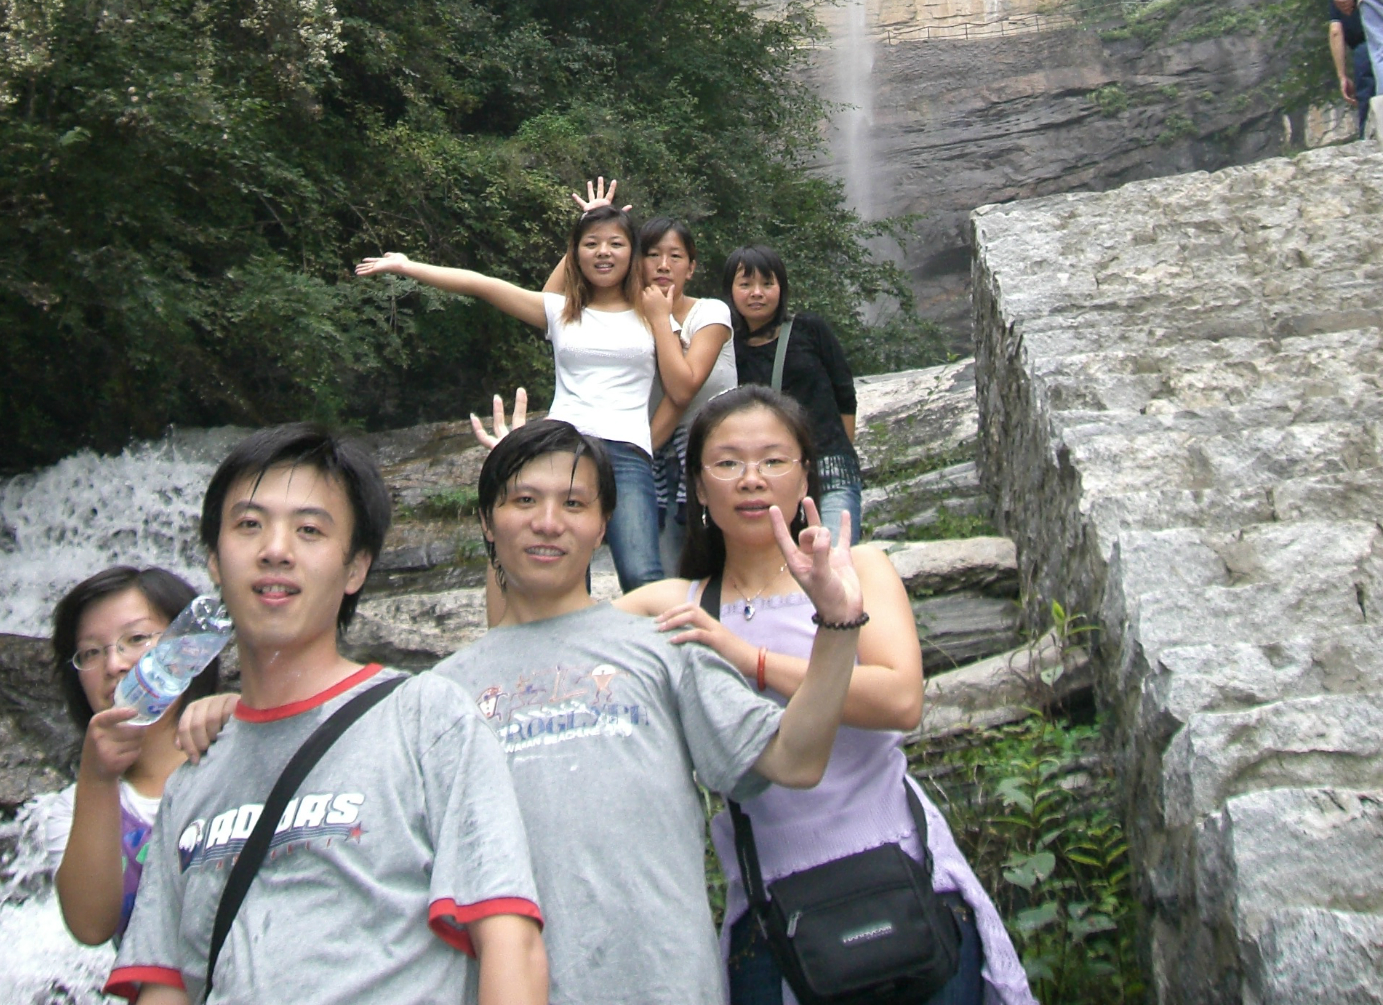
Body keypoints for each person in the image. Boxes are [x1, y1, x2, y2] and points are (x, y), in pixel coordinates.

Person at [429, 416, 867, 1005]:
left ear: (604, 524)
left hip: (666, 984)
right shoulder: (439, 697)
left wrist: (837, 627)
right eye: (524, 499)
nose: (548, 522)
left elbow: (796, 760)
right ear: (487, 520)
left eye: (574, 502)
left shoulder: (662, 647)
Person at [106, 423, 547, 1005]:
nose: (275, 549)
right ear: (214, 560)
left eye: (309, 529)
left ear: (357, 568)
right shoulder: (193, 775)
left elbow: (509, 940)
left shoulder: (424, 719)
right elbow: (163, 984)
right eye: (249, 525)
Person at [620, 386, 1035, 1005]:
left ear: (805, 475)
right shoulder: (673, 605)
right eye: (728, 463)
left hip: (905, 887)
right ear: (700, 488)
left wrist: (748, 657)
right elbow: (554, 637)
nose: (752, 479)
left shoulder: (859, 569)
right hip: (773, 922)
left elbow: (899, 699)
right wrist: (510, 489)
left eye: (773, 460)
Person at [356, 202, 695, 589]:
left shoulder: (652, 311)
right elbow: (481, 284)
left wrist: (657, 318)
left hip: (628, 452)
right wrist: (407, 266)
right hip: (564, 448)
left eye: (615, 243)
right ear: (574, 254)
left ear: (632, 253)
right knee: (565, 575)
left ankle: (652, 649)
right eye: (591, 244)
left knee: (641, 573)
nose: (603, 252)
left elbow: (679, 386)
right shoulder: (560, 310)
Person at [43, 566, 238, 946]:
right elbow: (91, 928)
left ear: (190, 646)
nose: (114, 664)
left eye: (134, 638)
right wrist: (97, 780)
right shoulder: (74, 808)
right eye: (91, 652)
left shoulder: (243, 748)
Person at [725, 243, 864, 543]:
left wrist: (842, 451)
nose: (757, 293)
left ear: (781, 287)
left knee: (834, 558)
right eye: (746, 284)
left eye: (767, 283)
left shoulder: (809, 329)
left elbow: (844, 393)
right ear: (730, 290)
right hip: (769, 478)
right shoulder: (726, 347)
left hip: (830, 468)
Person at [640, 217, 736, 566]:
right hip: (657, 471)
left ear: (691, 267)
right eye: (652, 254)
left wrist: (661, 320)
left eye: (675, 256)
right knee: (664, 577)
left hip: (718, 463)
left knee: (723, 571)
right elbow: (552, 306)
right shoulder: (626, 320)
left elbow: (682, 388)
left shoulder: (711, 313)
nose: (664, 265)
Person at [1329, 0, 1375, 138]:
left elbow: (1336, 31)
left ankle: (1369, 144)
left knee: (1368, 107)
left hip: (1364, 50)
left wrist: (1342, 75)